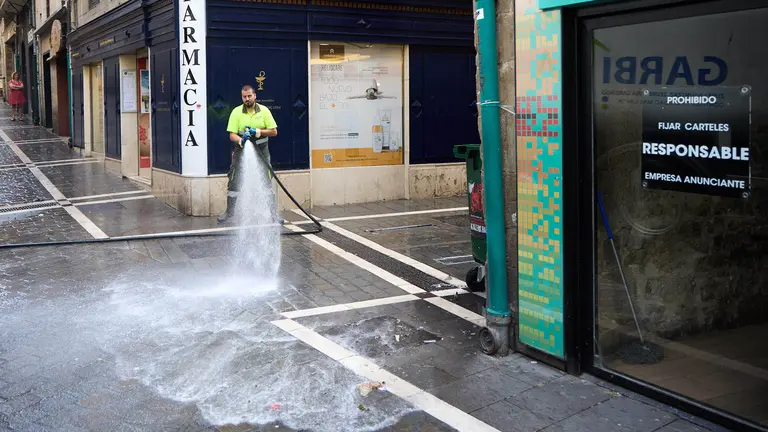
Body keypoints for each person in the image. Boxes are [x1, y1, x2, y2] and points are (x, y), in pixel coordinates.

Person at [218, 84, 279, 223]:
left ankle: (273, 214)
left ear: (255, 96)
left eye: (249, 96)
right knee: (234, 180)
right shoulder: (236, 112)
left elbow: (274, 131)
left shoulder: (264, 111)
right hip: (241, 150)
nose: (247, 99)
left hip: (262, 150)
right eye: (244, 97)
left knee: (266, 180)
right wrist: (241, 140)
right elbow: (232, 134)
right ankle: (229, 213)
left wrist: (257, 132)